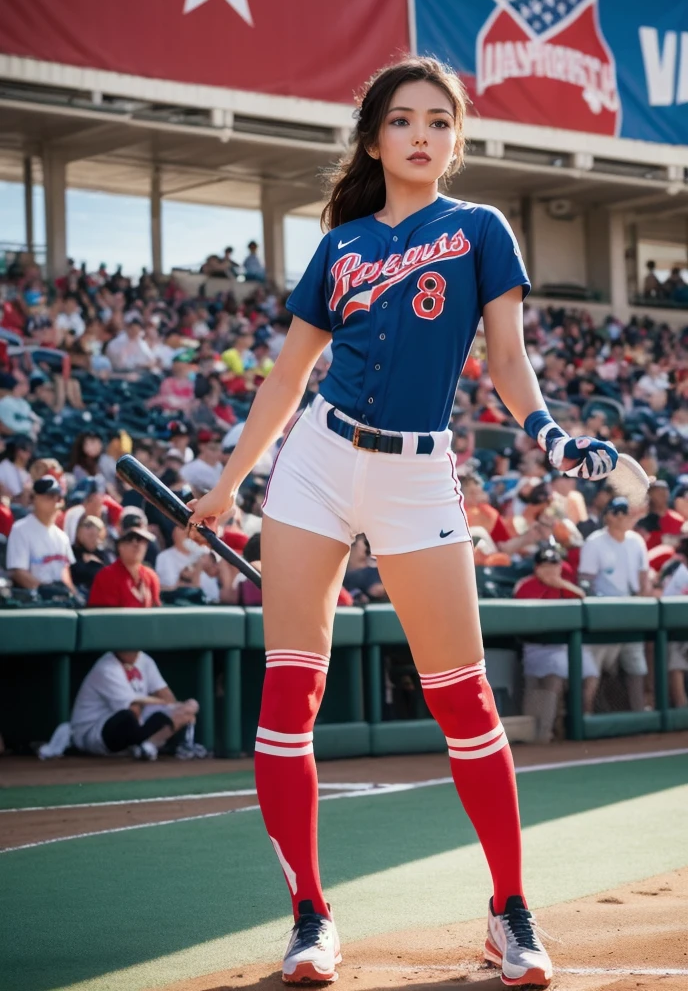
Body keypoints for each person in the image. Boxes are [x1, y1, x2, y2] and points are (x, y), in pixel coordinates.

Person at [187, 56, 618, 988]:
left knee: (461, 697)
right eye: (402, 120)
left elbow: (507, 362)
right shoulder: (340, 246)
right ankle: (309, 914)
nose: (421, 135)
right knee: (288, 693)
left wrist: (546, 431)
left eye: (438, 122)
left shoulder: (479, 230)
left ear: (455, 142)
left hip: (420, 474)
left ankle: (510, 911)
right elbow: (286, 376)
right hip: (314, 463)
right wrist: (229, 483)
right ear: (374, 138)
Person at [514, 546, 598, 741]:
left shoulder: (565, 586)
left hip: (566, 646)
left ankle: (582, 720)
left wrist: (561, 583)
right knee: (555, 674)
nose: (550, 570)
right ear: (536, 568)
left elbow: (583, 599)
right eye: (545, 566)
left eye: (554, 565)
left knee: (591, 673)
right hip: (538, 647)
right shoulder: (526, 586)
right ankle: (549, 730)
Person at [578, 497, 650, 713]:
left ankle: (639, 714)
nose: (627, 518)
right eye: (621, 513)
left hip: (631, 612)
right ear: (609, 516)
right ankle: (587, 717)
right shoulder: (594, 542)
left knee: (636, 667)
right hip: (603, 615)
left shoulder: (637, 541)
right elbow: (585, 583)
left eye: (628, 513)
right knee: (595, 671)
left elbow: (643, 581)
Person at [70, 648, 200, 760]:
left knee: (191, 705)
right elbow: (133, 706)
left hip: (134, 725)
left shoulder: (145, 660)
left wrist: (174, 710)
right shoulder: (106, 667)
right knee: (128, 715)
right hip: (92, 733)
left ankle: (149, 746)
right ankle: (144, 744)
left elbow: (168, 698)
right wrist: (159, 706)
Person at [6, 476, 76, 595]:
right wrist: (45, 590)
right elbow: (18, 572)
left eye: (57, 497)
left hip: (59, 602)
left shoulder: (61, 536)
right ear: (34, 498)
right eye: (49, 496)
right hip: (34, 604)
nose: (55, 501)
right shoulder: (20, 529)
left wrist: (72, 593)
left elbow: (65, 571)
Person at [88, 525, 161, 607]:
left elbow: (156, 612)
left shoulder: (151, 576)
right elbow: (104, 616)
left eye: (140, 540)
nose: (135, 544)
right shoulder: (107, 576)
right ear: (119, 546)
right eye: (129, 539)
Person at [658, 537, 688, 707]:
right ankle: (681, 708)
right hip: (673, 629)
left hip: (677, 627)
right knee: (675, 659)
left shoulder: (676, 566)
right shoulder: (678, 569)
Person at [70, 514, 113, 595]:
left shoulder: (106, 554)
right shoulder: (71, 551)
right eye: (86, 526)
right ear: (78, 532)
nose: (91, 530)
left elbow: (111, 575)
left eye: (93, 535)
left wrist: (95, 563)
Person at [0, 434, 34, 502]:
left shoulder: (28, 474)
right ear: (18, 450)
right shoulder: (4, 466)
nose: (29, 454)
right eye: (26, 450)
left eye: (30, 451)